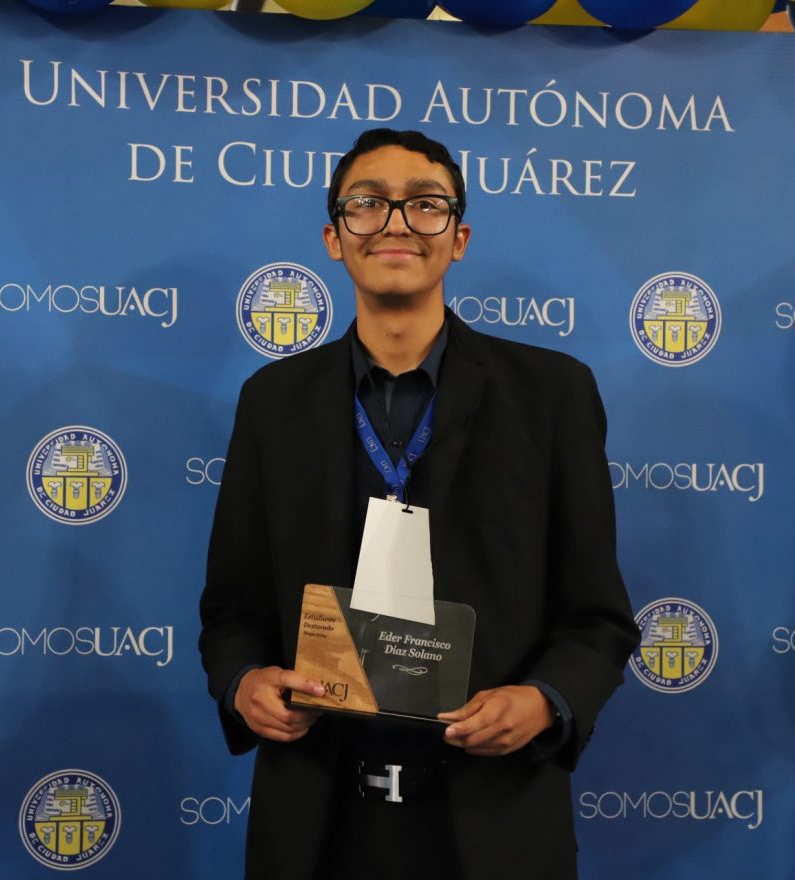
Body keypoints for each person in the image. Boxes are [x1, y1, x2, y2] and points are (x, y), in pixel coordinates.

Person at [198, 128, 639, 880]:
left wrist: (546, 700)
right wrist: (245, 683)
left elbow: (597, 618)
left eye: (426, 204)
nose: (397, 223)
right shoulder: (272, 402)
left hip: (493, 818)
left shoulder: (551, 395)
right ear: (334, 238)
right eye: (368, 204)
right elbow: (232, 610)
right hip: (317, 818)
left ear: (458, 238)